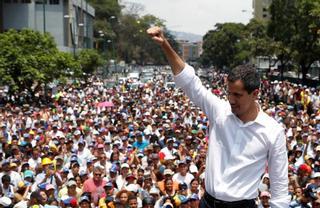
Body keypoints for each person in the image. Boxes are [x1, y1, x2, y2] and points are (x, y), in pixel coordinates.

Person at [147, 26, 288, 207]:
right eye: (229, 93)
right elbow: (190, 82)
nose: (231, 100)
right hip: (207, 203)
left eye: (237, 95)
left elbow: (280, 188)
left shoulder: (273, 132)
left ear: (255, 94)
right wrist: (165, 44)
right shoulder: (219, 111)